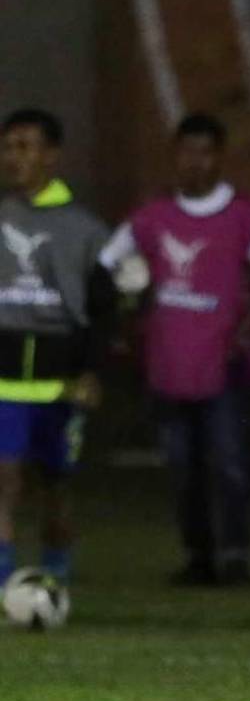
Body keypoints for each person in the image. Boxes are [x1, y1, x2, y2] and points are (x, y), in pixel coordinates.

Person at [99, 113, 250, 587]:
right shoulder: (152, 218)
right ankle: (198, 557)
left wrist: (244, 332)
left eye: (205, 152)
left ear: (220, 157)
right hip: (169, 364)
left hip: (223, 364)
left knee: (230, 463)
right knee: (183, 467)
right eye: (186, 152)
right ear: (174, 155)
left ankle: (236, 555)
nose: (195, 162)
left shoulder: (246, 215)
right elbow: (108, 264)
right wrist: (127, 307)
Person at [0, 108, 116, 584]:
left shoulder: (85, 229)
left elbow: (104, 308)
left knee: (55, 489)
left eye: (25, 147)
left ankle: (54, 578)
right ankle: (3, 582)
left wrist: (91, 371)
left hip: (60, 382)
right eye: (8, 147)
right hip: (5, 379)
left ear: (51, 155)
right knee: (4, 480)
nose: (13, 157)